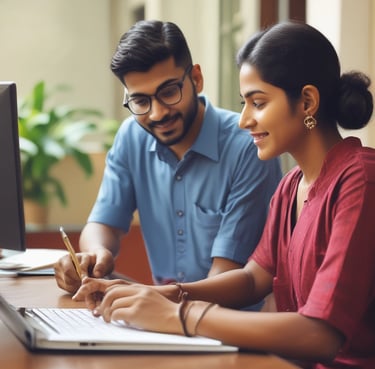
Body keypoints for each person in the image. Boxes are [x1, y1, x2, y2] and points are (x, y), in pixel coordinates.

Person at [73, 21, 375, 368]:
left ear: (307, 101)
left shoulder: (360, 181)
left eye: (258, 103)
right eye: (243, 103)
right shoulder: (291, 186)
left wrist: (180, 314)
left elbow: (320, 335)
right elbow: (251, 279)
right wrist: (161, 295)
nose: (245, 120)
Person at [54, 20, 281, 296]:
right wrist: (95, 256)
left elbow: (226, 277)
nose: (157, 113)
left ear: (196, 78)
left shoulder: (248, 147)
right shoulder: (131, 137)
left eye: (169, 92)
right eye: (140, 101)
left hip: (233, 326)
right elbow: (103, 224)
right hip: (162, 320)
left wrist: (146, 298)